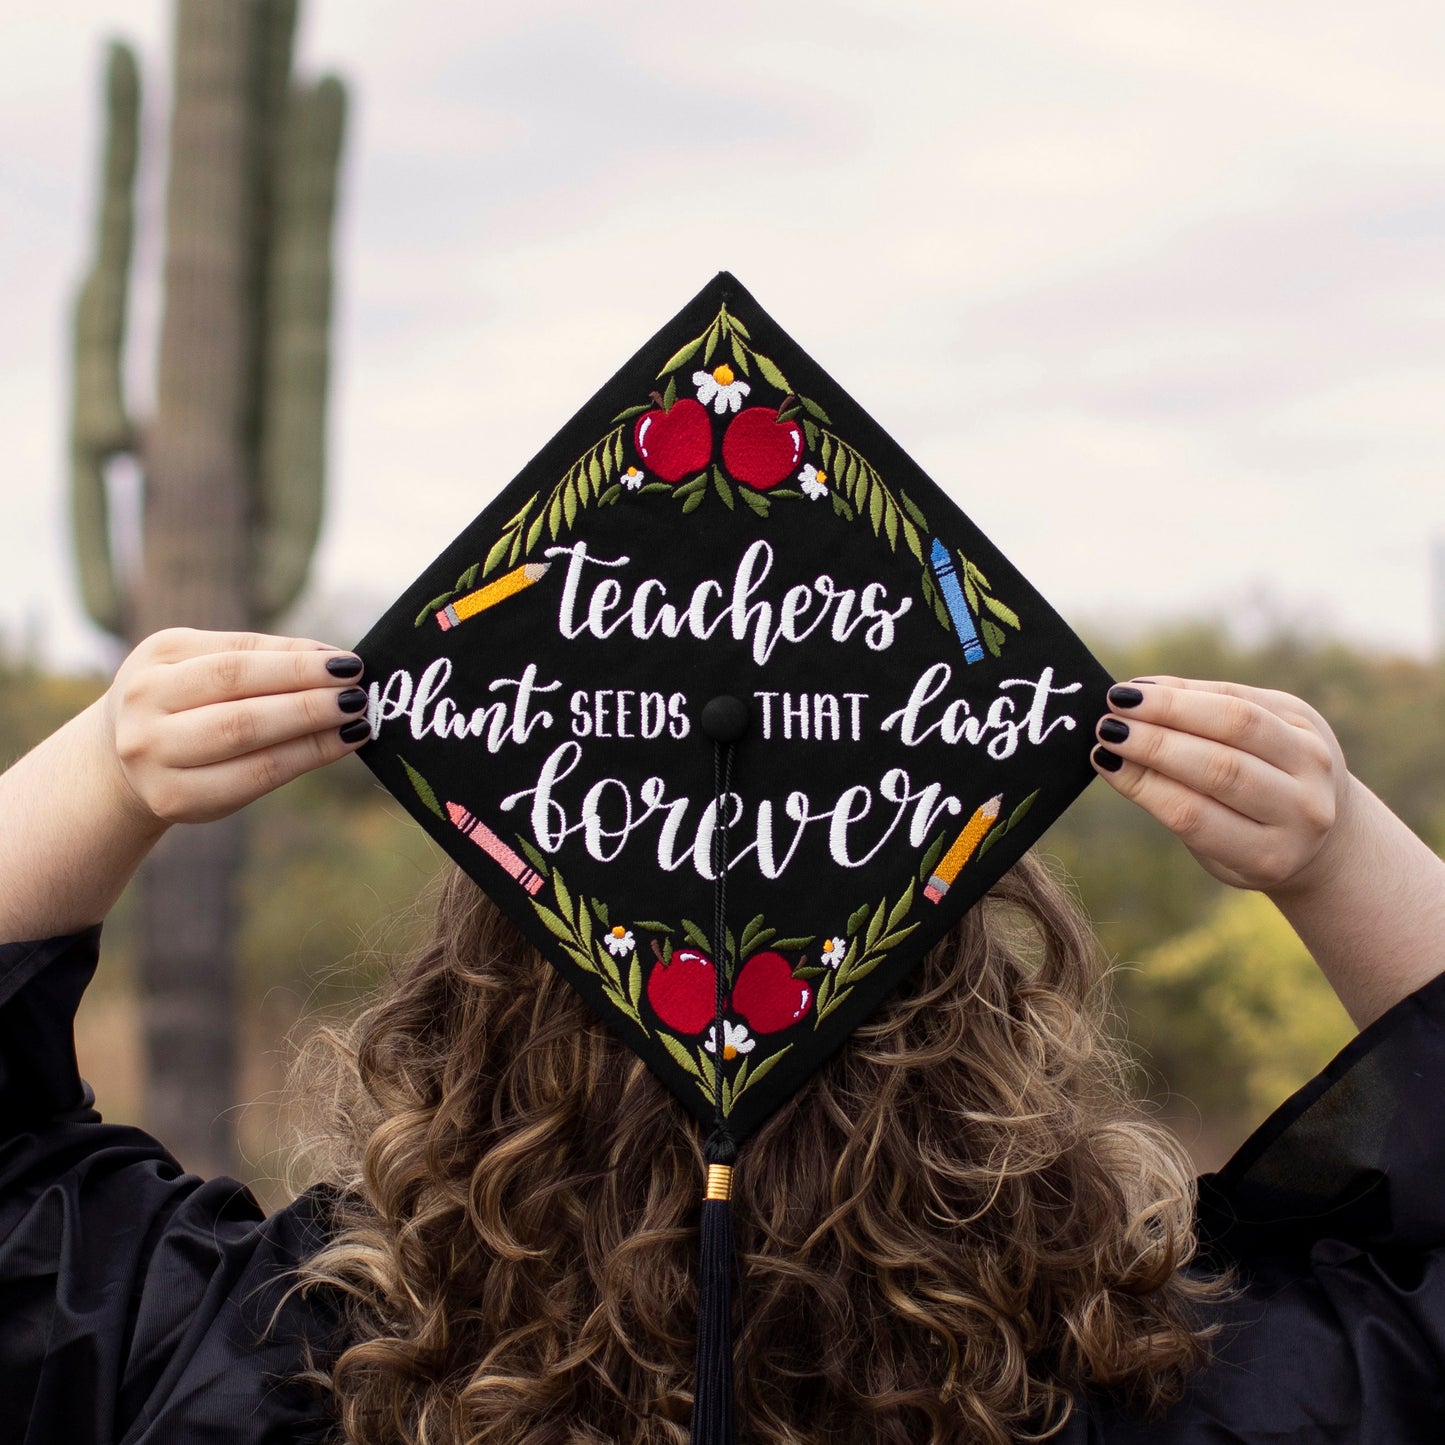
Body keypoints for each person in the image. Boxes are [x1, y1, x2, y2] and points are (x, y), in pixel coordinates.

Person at [2, 626, 1444, 1443]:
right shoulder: (1205, 1400)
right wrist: (1334, 851)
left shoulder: (268, 1375)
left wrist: (107, 767)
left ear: (473, 1010)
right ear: (977, 1021)